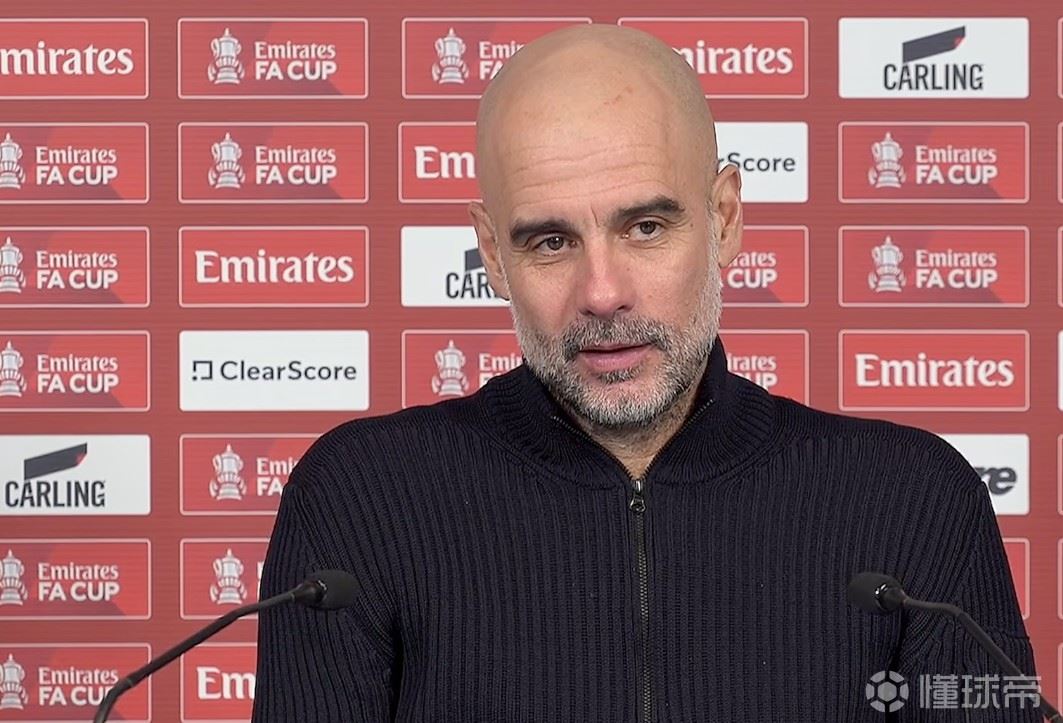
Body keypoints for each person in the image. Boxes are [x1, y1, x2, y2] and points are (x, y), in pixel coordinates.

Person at [252, 24, 1036, 722]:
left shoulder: (915, 498)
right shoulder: (359, 497)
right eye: (550, 241)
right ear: (491, 253)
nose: (602, 293)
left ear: (724, 218)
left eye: (646, 226)